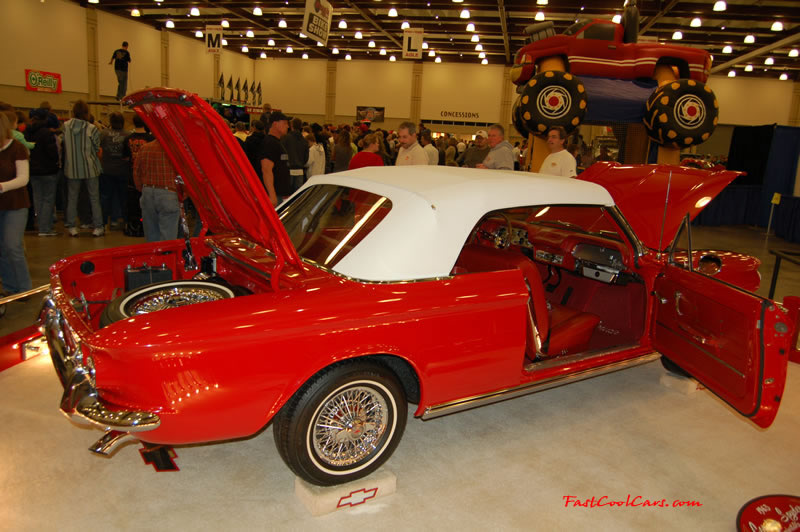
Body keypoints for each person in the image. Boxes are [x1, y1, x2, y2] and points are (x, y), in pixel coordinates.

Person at [0, 111, 33, 296]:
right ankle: (10, 287)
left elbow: (23, 179)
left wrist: (2, 186)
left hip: (16, 205)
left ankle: (24, 288)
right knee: (2, 249)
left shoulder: (18, 148)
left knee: (13, 246)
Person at [62, 100, 104, 236]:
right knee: (94, 198)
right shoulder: (92, 128)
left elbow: (63, 143)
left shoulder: (65, 126)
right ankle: (98, 227)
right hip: (90, 168)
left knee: (72, 198)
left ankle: (72, 227)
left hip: (72, 169)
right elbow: (97, 147)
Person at [133, 138, 180, 242]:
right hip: (169, 193)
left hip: (147, 191)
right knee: (168, 236)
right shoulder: (176, 150)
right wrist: (183, 194)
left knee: (151, 234)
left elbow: (136, 171)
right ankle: (166, 257)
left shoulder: (145, 148)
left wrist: (141, 188)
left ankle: (153, 257)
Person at [25, 108, 60, 236]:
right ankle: (46, 228)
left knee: (38, 199)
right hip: (48, 171)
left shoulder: (27, 132)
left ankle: (42, 226)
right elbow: (52, 153)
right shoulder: (47, 133)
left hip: (33, 171)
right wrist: (56, 163)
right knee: (48, 200)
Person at [99, 112, 130, 229]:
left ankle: (102, 223)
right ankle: (124, 221)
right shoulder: (127, 135)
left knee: (105, 197)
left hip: (106, 170)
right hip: (123, 171)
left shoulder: (104, 134)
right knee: (123, 198)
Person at [262, 110, 292, 206]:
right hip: (275, 196)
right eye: (285, 123)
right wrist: (272, 195)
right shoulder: (269, 143)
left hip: (281, 195)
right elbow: (266, 170)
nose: (287, 126)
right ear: (275, 124)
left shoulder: (278, 143)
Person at [281, 117, 309, 192]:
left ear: (291, 126)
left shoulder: (286, 138)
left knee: (287, 194)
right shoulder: (304, 140)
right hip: (300, 170)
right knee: (297, 195)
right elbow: (306, 158)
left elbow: (282, 153)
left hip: (288, 169)